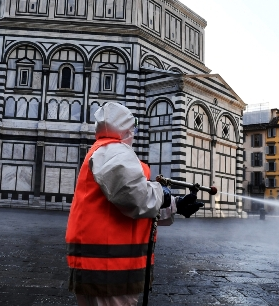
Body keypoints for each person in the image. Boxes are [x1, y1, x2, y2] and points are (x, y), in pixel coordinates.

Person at [65, 102, 203, 306]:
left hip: (105, 266)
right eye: (132, 128)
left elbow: (122, 204)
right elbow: (132, 195)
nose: (134, 133)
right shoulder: (112, 150)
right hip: (108, 268)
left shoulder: (104, 151)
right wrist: (162, 192)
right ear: (126, 128)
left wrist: (176, 205)